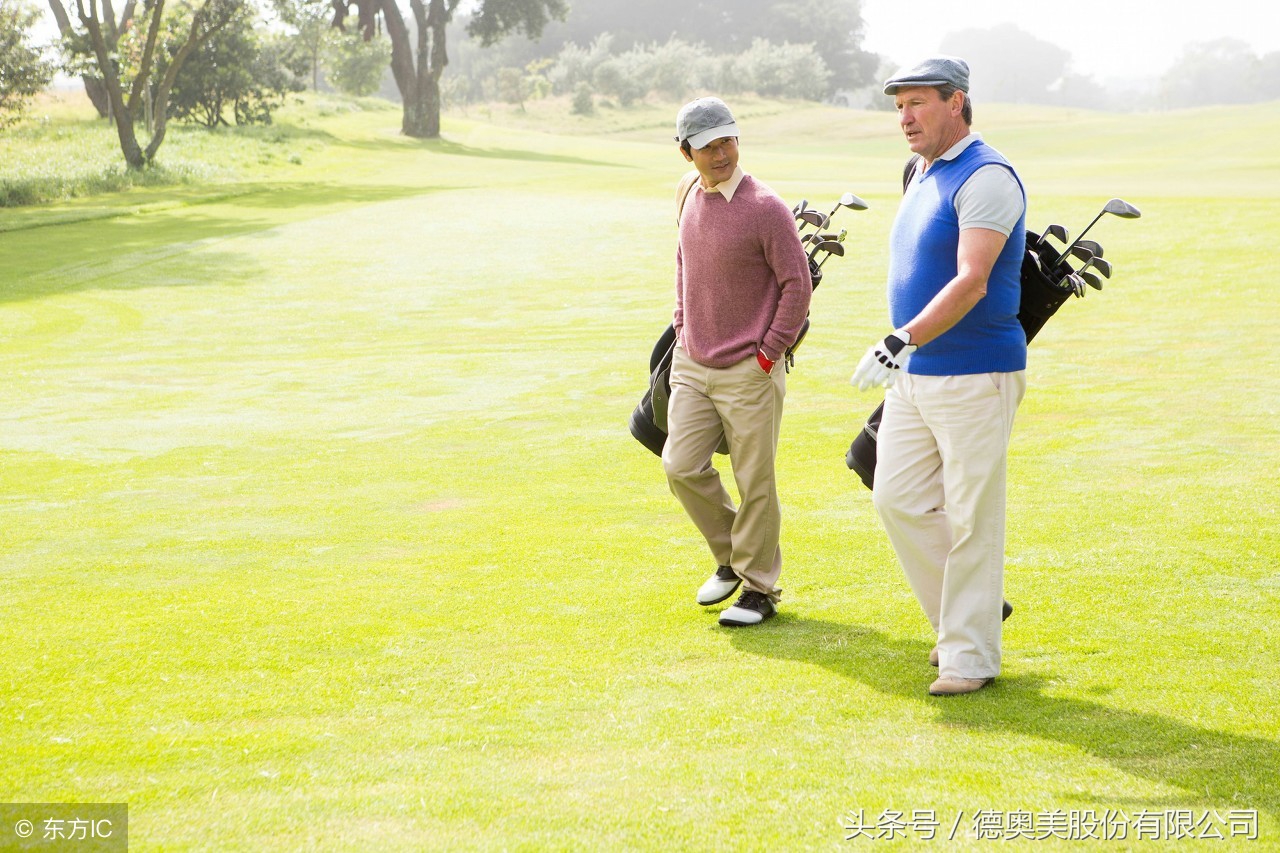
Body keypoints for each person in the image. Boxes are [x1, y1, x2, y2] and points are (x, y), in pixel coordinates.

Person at [850, 57, 1027, 695]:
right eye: (899, 106)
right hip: (915, 372)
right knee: (896, 498)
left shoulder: (987, 176)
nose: (905, 117)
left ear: (956, 102)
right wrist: (907, 349)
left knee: (973, 514)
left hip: (975, 371)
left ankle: (970, 655)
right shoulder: (921, 171)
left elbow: (972, 280)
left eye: (917, 103)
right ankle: (963, 620)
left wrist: (902, 337)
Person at [662, 96, 811, 627]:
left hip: (750, 368)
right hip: (693, 361)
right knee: (680, 466)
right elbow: (684, 261)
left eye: (728, 141)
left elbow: (797, 284)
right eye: (709, 146)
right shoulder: (686, 192)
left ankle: (759, 588)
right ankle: (730, 556)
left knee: (755, 481)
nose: (722, 153)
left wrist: (769, 353)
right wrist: (682, 326)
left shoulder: (765, 207)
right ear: (687, 153)